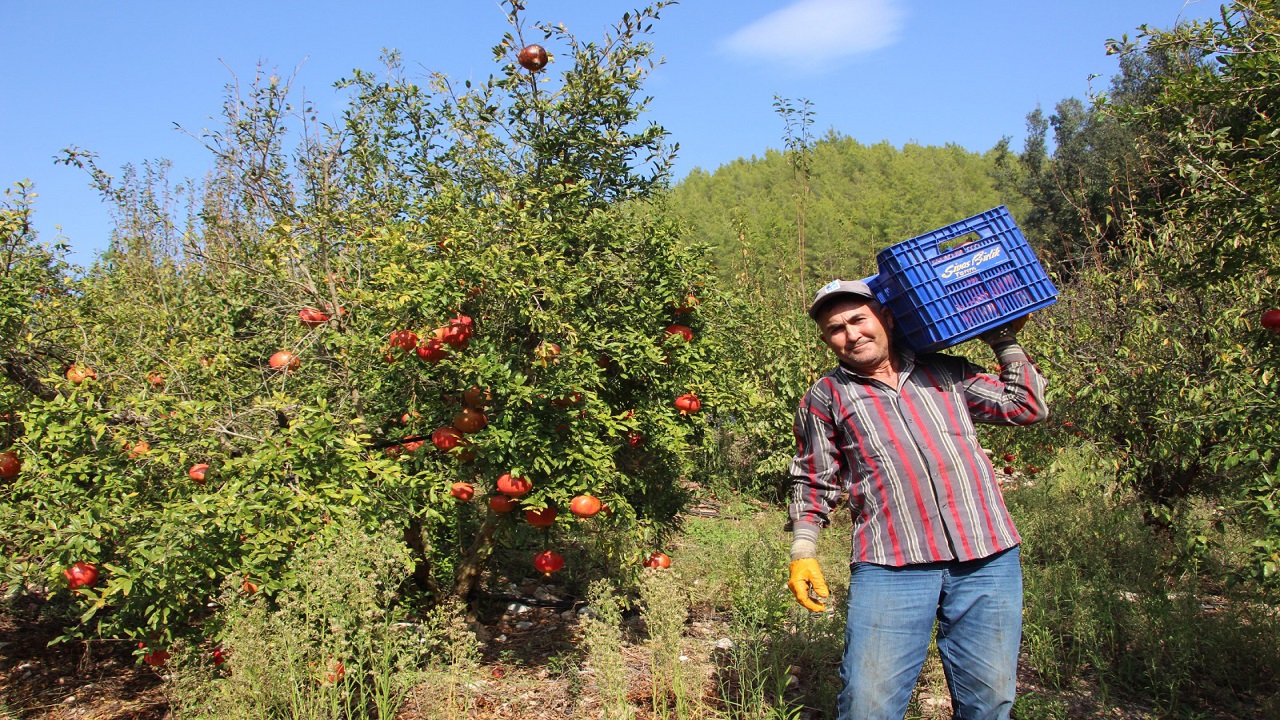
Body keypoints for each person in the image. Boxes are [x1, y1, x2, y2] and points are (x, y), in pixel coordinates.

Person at [786, 279, 1048, 720]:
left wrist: (1003, 340)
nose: (851, 334)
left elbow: (1024, 407)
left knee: (990, 701)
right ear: (826, 340)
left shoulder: (945, 371)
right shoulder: (825, 397)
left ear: (885, 319)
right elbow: (813, 478)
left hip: (987, 556)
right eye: (835, 328)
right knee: (868, 705)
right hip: (892, 565)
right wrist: (803, 549)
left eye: (858, 319)